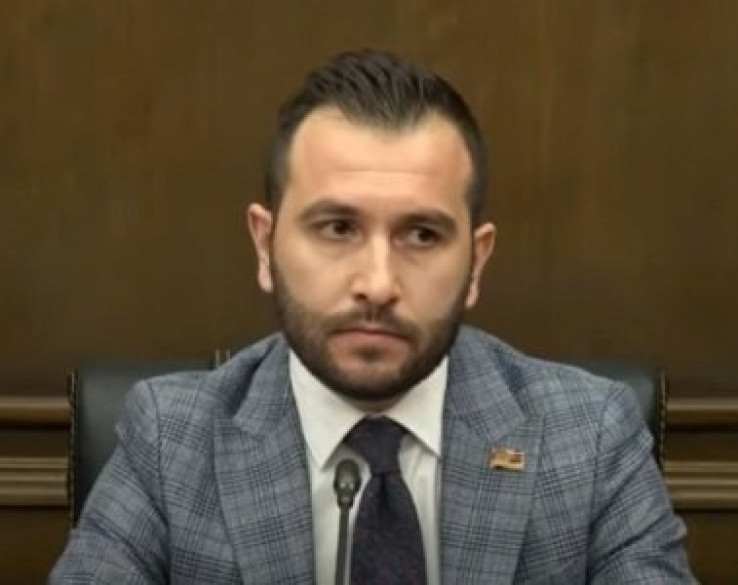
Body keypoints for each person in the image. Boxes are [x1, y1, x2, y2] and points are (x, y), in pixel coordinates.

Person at [51, 50, 696, 584]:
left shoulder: (588, 437)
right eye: (337, 228)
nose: (378, 285)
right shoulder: (171, 441)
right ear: (265, 246)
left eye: (422, 235)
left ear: (476, 262)